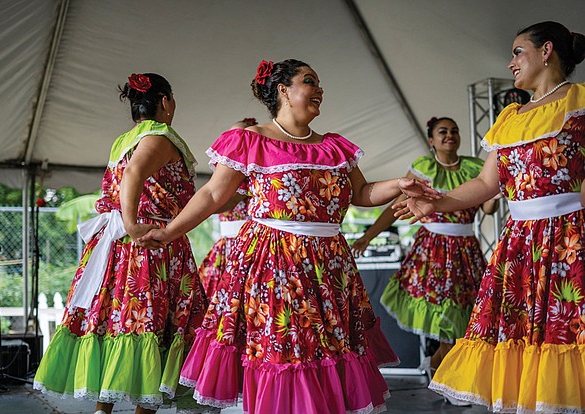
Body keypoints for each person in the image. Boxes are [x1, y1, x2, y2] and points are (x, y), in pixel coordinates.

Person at [140, 59, 439, 413]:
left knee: (323, 353)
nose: (320, 89)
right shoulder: (249, 140)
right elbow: (211, 195)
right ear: (283, 89)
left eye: (319, 82)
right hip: (276, 263)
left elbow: (362, 194)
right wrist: (170, 231)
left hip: (329, 266)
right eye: (310, 81)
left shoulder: (335, 147)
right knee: (285, 350)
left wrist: (399, 184)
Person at [394, 22, 585, 413]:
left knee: (568, 332)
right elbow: (485, 183)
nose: (511, 62)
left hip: (570, 238)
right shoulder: (509, 117)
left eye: (518, 51)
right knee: (523, 338)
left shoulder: (580, 102)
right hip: (520, 246)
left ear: (546, 50)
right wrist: (437, 202)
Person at [33, 73, 208, 414]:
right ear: (166, 102)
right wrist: (131, 222)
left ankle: (104, 408)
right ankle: (139, 408)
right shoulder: (158, 137)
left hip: (118, 248)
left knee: (121, 322)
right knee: (150, 322)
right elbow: (134, 175)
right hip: (150, 244)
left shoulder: (126, 139)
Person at [351, 117, 498, 380]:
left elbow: (488, 206)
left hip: (466, 251)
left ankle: (442, 370)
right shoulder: (423, 168)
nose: (449, 135)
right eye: (443, 132)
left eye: (454, 131)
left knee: (465, 319)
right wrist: (368, 236)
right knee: (445, 321)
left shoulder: (476, 167)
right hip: (433, 253)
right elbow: (396, 208)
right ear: (431, 140)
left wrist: (495, 197)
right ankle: (445, 375)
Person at [197, 118, 256, 298]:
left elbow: (223, 201)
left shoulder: (255, 174)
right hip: (227, 246)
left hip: (251, 245)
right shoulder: (223, 172)